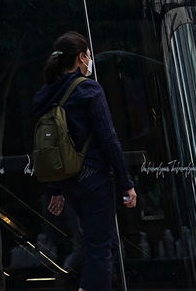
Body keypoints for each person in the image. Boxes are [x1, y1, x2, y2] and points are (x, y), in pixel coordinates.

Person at [32, 31, 136, 291]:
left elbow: (50, 144)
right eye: (89, 55)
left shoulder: (46, 93)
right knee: (100, 247)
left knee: (104, 243)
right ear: (80, 57)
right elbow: (108, 139)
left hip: (67, 181)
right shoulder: (88, 89)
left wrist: (55, 190)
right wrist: (126, 183)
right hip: (94, 177)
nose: (90, 60)